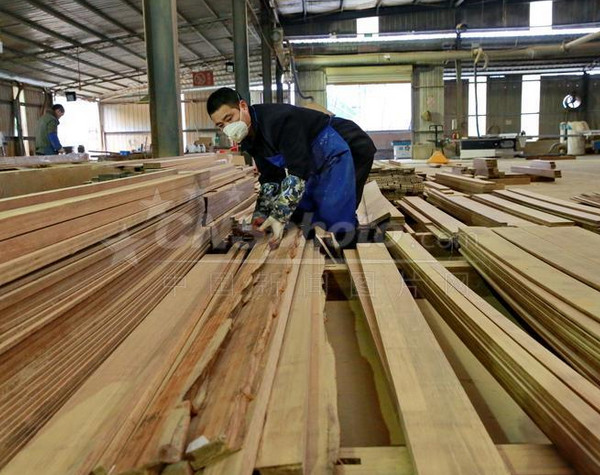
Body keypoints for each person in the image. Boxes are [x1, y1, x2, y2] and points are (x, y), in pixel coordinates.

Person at [207, 87, 375, 248]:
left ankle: (349, 247)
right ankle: (316, 244)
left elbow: (298, 171)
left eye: (229, 118)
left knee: (334, 209)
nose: (228, 128)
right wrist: (261, 214)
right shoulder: (250, 139)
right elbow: (271, 177)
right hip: (313, 159)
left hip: (346, 147)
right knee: (301, 209)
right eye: (221, 125)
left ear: (243, 106)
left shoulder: (279, 120)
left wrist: (279, 216)